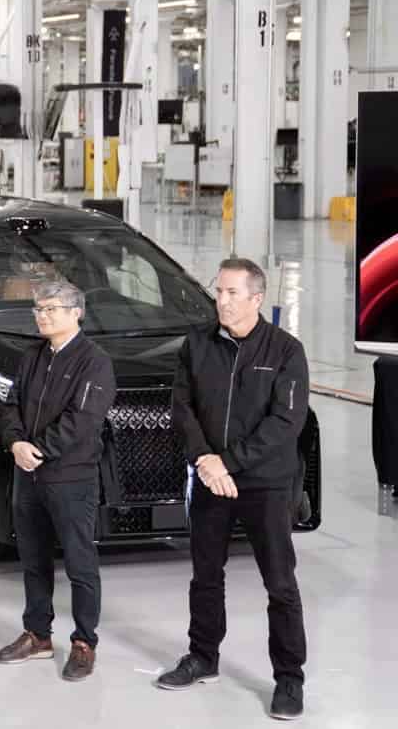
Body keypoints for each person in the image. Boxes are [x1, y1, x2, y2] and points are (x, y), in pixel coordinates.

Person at [156, 258, 310, 721]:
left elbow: (285, 424)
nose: (221, 300)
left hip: (265, 484)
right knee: (206, 575)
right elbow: (181, 407)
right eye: (218, 291)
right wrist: (205, 460)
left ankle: (289, 678)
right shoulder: (197, 344)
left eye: (231, 293)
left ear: (256, 299)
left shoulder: (285, 350)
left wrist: (229, 462)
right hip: (210, 480)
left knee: (279, 583)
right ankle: (203, 656)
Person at [0, 280, 116, 681]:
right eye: (38, 309)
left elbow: (82, 422)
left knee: (80, 562)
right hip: (27, 475)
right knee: (33, 558)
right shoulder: (32, 357)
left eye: (51, 309)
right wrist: (16, 444)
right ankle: (38, 635)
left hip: (70, 477)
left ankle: (84, 643)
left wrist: (36, 450)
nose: (42, 316)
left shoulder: (94, 362)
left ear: (76, 312)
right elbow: (10, 405)